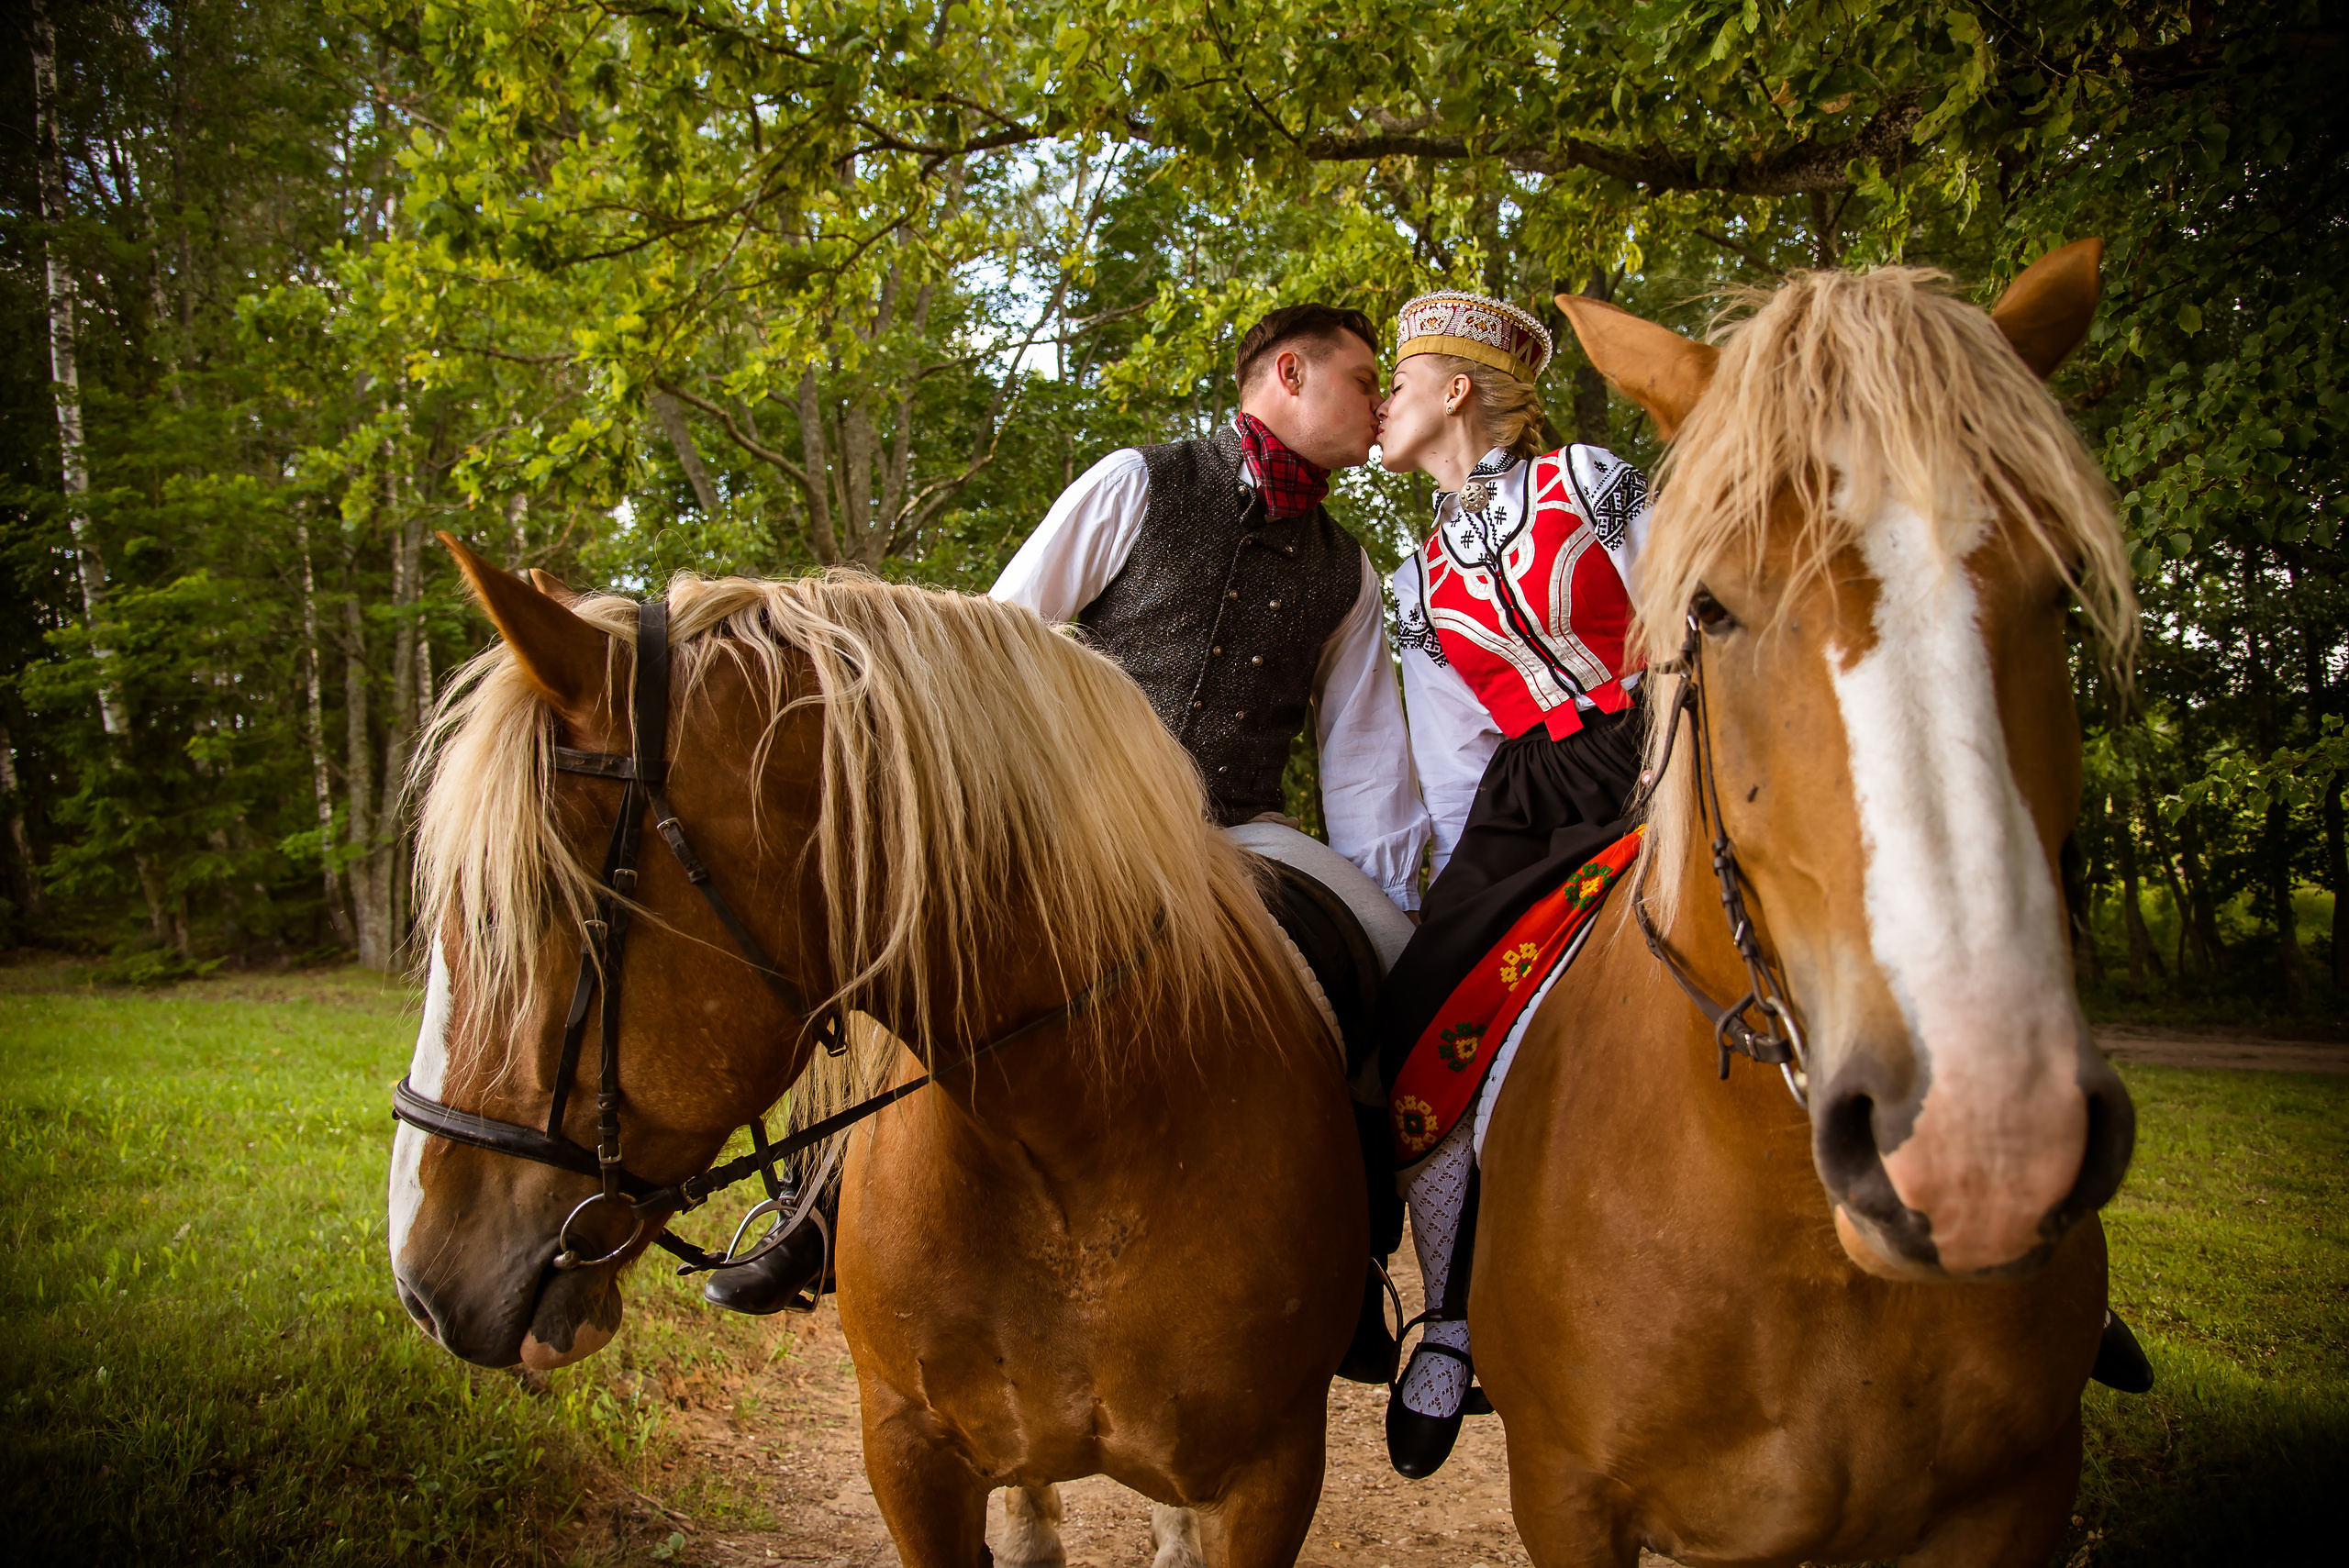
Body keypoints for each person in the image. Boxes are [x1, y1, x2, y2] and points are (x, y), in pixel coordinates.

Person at [706, 306, 1432, 1363]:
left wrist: (1384, 882)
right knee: (909, 945)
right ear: (1288, 371)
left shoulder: (1350, 570)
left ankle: (1355, 1263)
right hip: (1074, 818)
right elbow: (1004, 633)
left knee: (1395, 972)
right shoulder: (1138, 481)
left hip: (1242, 832)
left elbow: (1363, 760)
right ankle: (812, 1213)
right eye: (1365, 381)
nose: (1379, 407)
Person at [1370, 290, 1654, 1477]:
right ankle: (1449, 1314)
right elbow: (1450, 767)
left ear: (1454, 390)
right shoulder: (1413, 582)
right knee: (1427, 1008)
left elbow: (1687, 610)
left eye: (1398, 378)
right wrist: (1464, 897)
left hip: (1656, 742)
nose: (1382, 402)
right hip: (1523, 799)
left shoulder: (1593, 482)